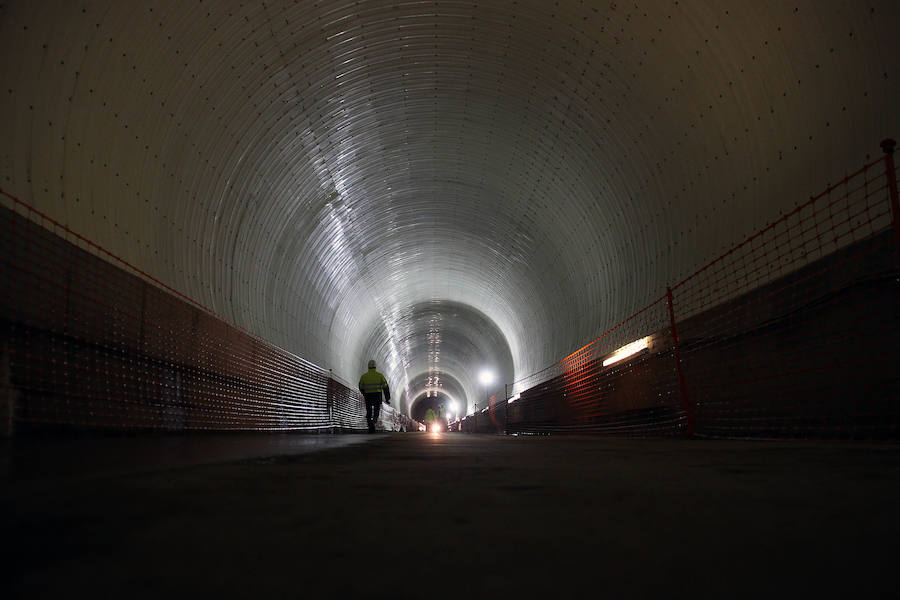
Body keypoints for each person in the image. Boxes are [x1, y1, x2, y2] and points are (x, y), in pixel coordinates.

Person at [358, 359, 390, 433]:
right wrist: (387, 398)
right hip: (377, 395)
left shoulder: (364, 376)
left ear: (368, 367)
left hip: (368, 395)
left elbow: (360, 386)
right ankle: (374, 421)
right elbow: (385, 387)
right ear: (375, 367)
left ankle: (370, 424)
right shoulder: (380, 376)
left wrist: (364, 393)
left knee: (368, 411)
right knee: (376, 410)